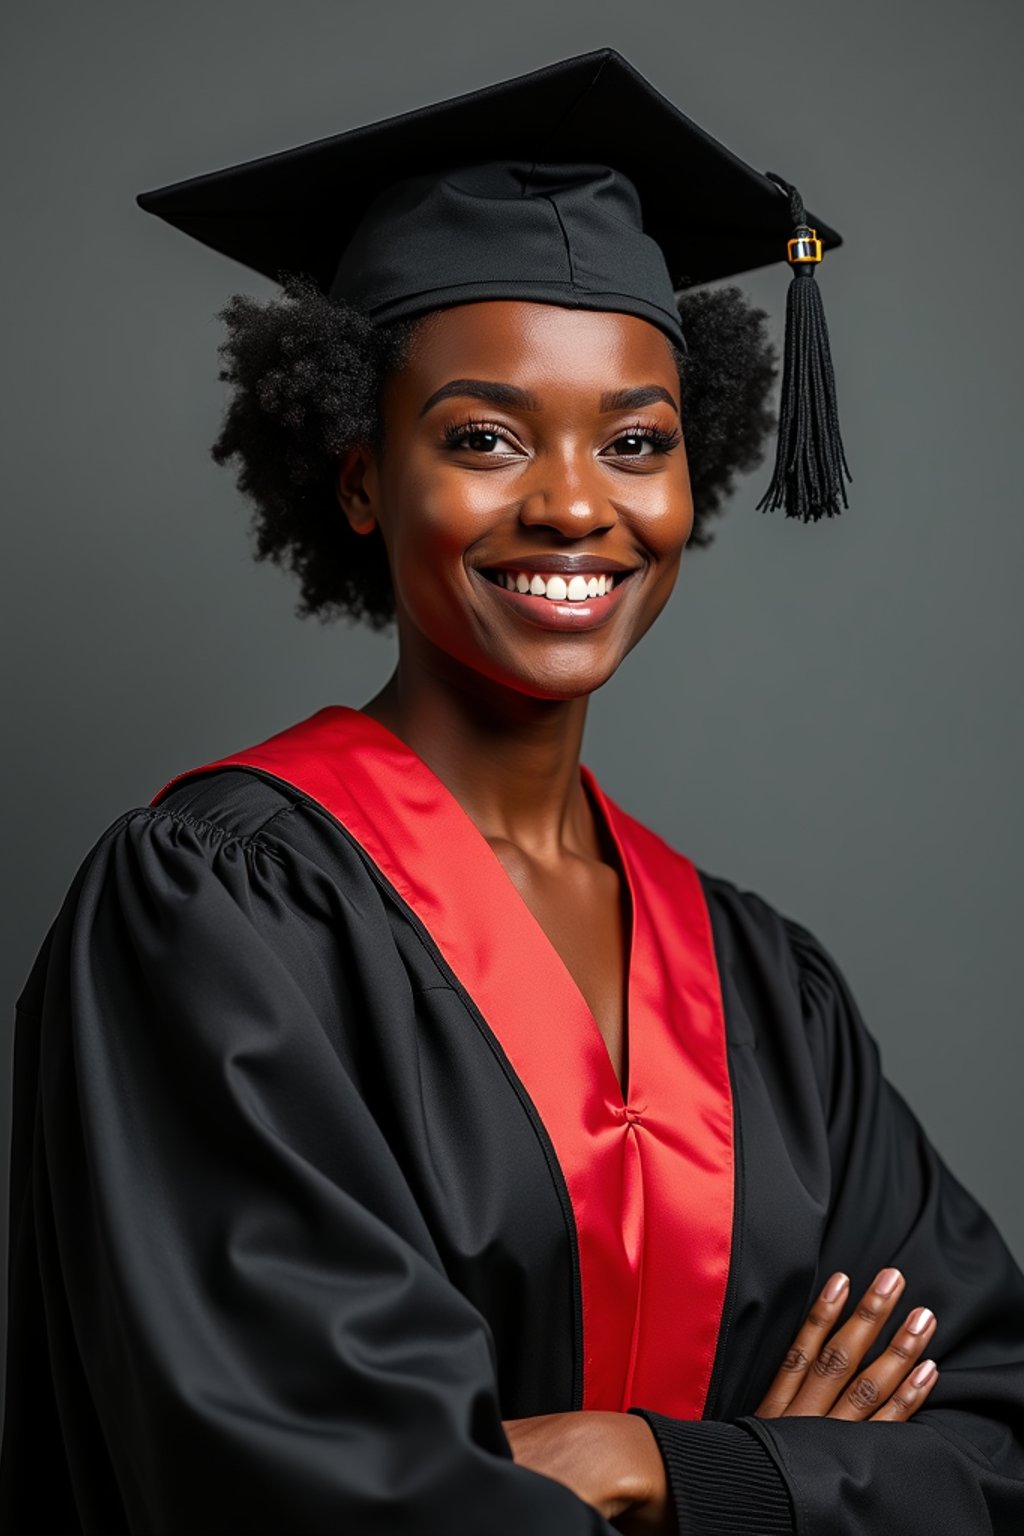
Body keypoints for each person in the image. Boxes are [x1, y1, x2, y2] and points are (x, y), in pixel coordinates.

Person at [3, 45, 1023, 1536]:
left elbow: (995, 1437)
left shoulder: (763, 994)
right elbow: (331, 1500)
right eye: (483, 437)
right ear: (361, 479)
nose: (572, 501)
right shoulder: (214, 921)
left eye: (636, 442)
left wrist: (663, 1466)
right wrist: (790, 1480)